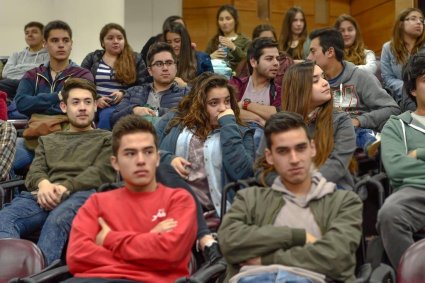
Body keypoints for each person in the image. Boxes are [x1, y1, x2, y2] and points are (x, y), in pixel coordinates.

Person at [218, 111, 363, 282]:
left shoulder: (343, 202)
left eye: (300, 148)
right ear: (270, 157)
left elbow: (338, 258)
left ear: (313, 149)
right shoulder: (250, 198)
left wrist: (266, 259)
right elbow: (229, 243)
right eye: (283, 151)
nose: (294, 159)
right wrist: (296, 236)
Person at [65, 115, 197, 283]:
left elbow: (170, 252)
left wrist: (109, 238)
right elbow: (77, 257)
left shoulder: (179, 200)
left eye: (148, 152)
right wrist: (150, 240)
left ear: (157, 158)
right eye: (130, 153)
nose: (141, 161)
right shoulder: (96, 203)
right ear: (115, 163)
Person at [0, 78, 115, 265]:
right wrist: (44, 184)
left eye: (87, 102)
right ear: (64, 106)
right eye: (75, 102)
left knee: (58, 219)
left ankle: (38, 277)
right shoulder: (49, 140)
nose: (83, 107)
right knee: (5, 218)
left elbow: (101, 172)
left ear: (95, 106)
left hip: (84, 195)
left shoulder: (107, 138)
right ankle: (10, 272)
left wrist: (63, 189)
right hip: (44, 195)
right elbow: (35, 172)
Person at [155, 73, 255, 216]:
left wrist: (228, 125)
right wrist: (168, 159)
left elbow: (242, 173)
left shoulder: (242, 131)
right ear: (199, 105)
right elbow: (147, 152)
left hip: (222, 214)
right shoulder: (174, 120)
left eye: (227, 101)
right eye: (214, 103)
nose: (223, 108)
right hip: (175, 211)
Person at [257, 61, 356, 190]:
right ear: (299, 89)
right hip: (284, 190)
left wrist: (304, 185)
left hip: (332, 188)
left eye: (324, 77)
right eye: (315, 80)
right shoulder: (278, 123)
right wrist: (287, 185)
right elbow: (261, 168)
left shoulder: (341, 120)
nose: (325, 83)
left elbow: (337, 165)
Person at [13, 20, 94, 171]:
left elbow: (78, 107)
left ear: (71, 44)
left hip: (69, 138)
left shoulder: (82, 74)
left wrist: (37, 105)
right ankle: (18, 193)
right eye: (55, 40)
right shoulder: (33, 74)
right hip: (34, 140)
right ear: (45, 44)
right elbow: (22, 104)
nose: (61, 45)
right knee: (6, 159)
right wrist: (57, 97)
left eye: (65, 40)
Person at [307, 27, 400, 154]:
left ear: (330, 52)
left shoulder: (361, 77)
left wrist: (359, 121)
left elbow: (392, 108)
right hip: (326, 137)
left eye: (313, 51)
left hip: (355, 136)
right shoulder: (314, 83)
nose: (308, 57)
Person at [377, 52, 425, 269]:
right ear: (413, 89)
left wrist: (418, 154)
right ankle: (414, 274)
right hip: (415, 193)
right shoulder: (397, 125)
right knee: (390, 213)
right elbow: (396, 168)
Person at [81, 23, 149, 130]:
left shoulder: (135, 59)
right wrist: (96, 98)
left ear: (124, 41)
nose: (116, 41)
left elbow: (144, 85)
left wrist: (124, 93)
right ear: (103, 42)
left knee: (106, 116)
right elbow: (82, 82)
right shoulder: (92, 58)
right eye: (110, 38)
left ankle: (105, 144)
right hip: (94, 103)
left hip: (123, 104)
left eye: (120, 38)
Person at [111, 42, 189, 126]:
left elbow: (190, 118)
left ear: (176, 67)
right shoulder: (133, 92)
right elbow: (113, 120)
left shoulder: (186, 94)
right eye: (159, 64)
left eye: (169, 63)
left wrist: (157, 112)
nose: (165, 68)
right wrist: (133, 110)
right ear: (150, 71)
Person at [230, 37, 281, 148]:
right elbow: (228, 111)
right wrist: (259, 119)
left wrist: (245, 104)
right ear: (253, 62)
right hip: (235, 138)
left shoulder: (278, 91)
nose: (276, 63)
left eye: (277, 58)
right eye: (269, 59)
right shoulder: (236, 84)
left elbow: (277, 115)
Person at [381, 8, 425, 102]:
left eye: (421, 20)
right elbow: (387, 78)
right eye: (413, 19)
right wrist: (409, 89)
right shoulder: (388, 48)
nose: (419, 23)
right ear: (401, 24)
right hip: (400, 96)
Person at [0, 21, 49, 101]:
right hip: (10, 84)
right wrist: (34, 68)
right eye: (27, 33)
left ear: (43, 36)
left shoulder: (49, 55)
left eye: (34, 32)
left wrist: (18, 67)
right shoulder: (16, 55)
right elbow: (5, 73)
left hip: (33, 85)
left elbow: (42, 74)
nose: (29, 35)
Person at [164, 23, 213, 87]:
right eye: (169, 42)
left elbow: (210, 86)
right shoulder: (164, 60)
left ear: (185, 41)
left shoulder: (202, 59)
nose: (173, 45)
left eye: (177, 41)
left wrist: (186, 86)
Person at [205, 4, 251, 72]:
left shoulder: (246, 41)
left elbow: (249, 61)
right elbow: (203, 62)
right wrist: (210, 57)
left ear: (235, 20)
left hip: (238, 79)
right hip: (216, 78)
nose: (224, 22)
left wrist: (233, 48)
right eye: (221, 19)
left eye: (228, 18)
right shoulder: (213, 41)